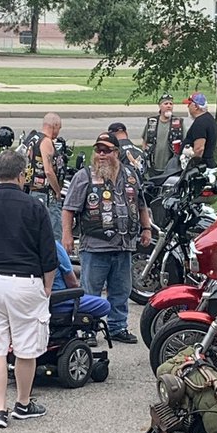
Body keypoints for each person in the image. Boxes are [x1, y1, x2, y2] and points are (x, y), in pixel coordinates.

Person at [0, 150, 57, 428]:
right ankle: (23, 403)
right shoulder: (35, 206)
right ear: (21, 175)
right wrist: (47, 287)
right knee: (26, 349)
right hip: (25, 281)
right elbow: (48, 255)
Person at [61, 132, 151, 345]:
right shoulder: (84, 176)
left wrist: (146, 228)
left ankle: (118, 327)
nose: (101, 154)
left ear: (116, 153)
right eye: (98, 150)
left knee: (121, 290)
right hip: (95, 246)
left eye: (106, 150)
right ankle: (87, 329)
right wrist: (66, 235)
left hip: (124, 246)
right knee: (90, 292)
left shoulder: (130, 175)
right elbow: (68, 208)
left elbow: (141, 205)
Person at [22, 111, 64, 237]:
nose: (58, 132)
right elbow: (48, 171)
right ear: (54, 126)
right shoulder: (46, 141)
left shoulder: (33, 139)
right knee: (53, 233)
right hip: (46, 194)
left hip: (31, 191)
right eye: (59, 128)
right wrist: (57, 191)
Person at [52, 241, 112, 318]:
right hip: (57, 300)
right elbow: (73, 284)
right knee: (104, 305)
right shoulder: (53, 246)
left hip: (41, 300)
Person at [142, 94, 185, 176]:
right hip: (153, 166)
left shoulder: (178, 123)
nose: (169, 106)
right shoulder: (152, 122)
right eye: (166, 104)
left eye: (171, 104)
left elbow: (185, 142)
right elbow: (145, 143)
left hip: (173, 167)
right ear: (160, 106)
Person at [183, 92, 217, 167]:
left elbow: (199, 149)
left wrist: (191, 164)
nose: (188, 107)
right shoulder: (208, 118)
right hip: (209, 162)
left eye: (189, 104)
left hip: (202, 166)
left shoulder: (200, 123)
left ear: (196, 106)